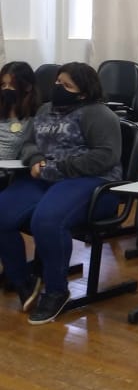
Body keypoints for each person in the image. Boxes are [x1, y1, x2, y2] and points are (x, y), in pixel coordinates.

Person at [0, 63, 122, 325]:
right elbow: (29, 143)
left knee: (47, 220)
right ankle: (22, 281)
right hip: (45, 177)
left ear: (84, 92)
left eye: (67, 86)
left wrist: (59, 167)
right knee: (2, 212)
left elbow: (106, 156)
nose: (58, 88)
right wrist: (35, 159)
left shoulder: (98, 114)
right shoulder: (45, 110)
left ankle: (56, 290)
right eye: (58, 83)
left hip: (90, 181)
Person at [0, 61, 39, 160]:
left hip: (10, 167)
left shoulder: (35, 118)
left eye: (12, 85)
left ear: (28, 87)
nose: (6, 89)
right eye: (3, 85)